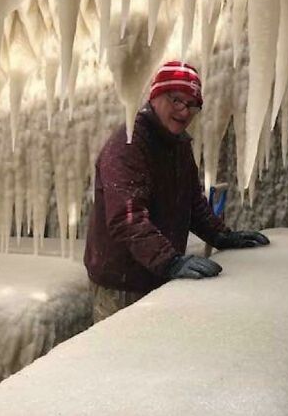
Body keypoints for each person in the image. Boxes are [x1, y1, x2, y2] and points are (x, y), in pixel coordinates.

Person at [84, 61, 270, 323]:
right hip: (122, 284)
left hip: (157, 274)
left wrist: (222, 237)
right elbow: (127, 219)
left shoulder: (178, 146)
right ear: (155, 96)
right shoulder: (128, 145)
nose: (184, 111)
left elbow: (192, 204)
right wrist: (169, 262)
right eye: (176, 100)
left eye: (192, 105)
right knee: (121, 358)